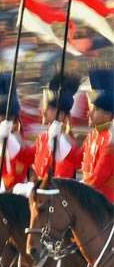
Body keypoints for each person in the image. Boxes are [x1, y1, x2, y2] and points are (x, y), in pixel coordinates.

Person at [31, 71, 80, 180]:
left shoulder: (67, 142)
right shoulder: (42, 138)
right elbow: (26, 159)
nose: (43, 111)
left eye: (49, 108)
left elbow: (61, 181)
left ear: (61, 114)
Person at [78, 64, 113, 201]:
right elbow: (75, 160)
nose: (89, 113)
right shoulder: (92, 136)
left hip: (106, 203)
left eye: (95, 109)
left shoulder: (111, 140)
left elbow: (99, 176)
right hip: (92, 198)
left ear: (108, 114)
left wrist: (76, 187)